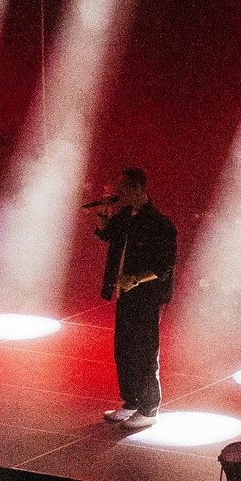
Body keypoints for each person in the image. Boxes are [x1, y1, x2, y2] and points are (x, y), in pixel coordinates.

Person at [92, 167, 175, 428]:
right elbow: (106, 234)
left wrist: (136, 279)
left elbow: (164, 266)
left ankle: (149, 408)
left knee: (144, 351)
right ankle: (131, 400)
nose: (120, 193)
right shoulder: (126, 216)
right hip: (126, 293)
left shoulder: (159, 223)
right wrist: (104, 212)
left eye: (123, 188)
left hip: (147, 296)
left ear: (138, 188)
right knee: (124, 349)